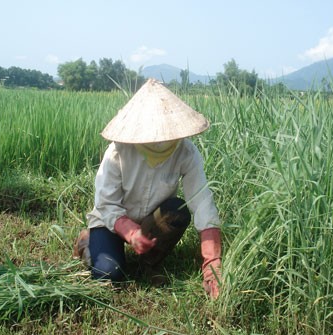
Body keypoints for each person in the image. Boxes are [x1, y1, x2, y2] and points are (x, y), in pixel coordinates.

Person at [73, 78, 222, 298]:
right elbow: (105, 204)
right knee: (108, 274)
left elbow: (202, 202)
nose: (161, 141)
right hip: (111, 222)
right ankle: (87, 242)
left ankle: (148, 262)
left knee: (178, 210)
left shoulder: (186, 152)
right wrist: (130, 231)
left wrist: (212, 262)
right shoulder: (118, 152)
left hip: (150, 221)